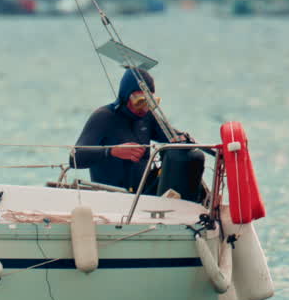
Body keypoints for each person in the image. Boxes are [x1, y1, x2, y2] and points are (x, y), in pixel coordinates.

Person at [69, 67, 204, 200]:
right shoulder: (104, 117)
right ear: (126, 96)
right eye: (139, 102)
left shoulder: (148, 117)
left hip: (143, 197)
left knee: (185, 157)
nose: (144, 108)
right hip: (111, 198)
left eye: (149, 102)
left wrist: (216, 151)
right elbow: (74, 158)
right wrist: (112, 151)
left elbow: (175, 137)